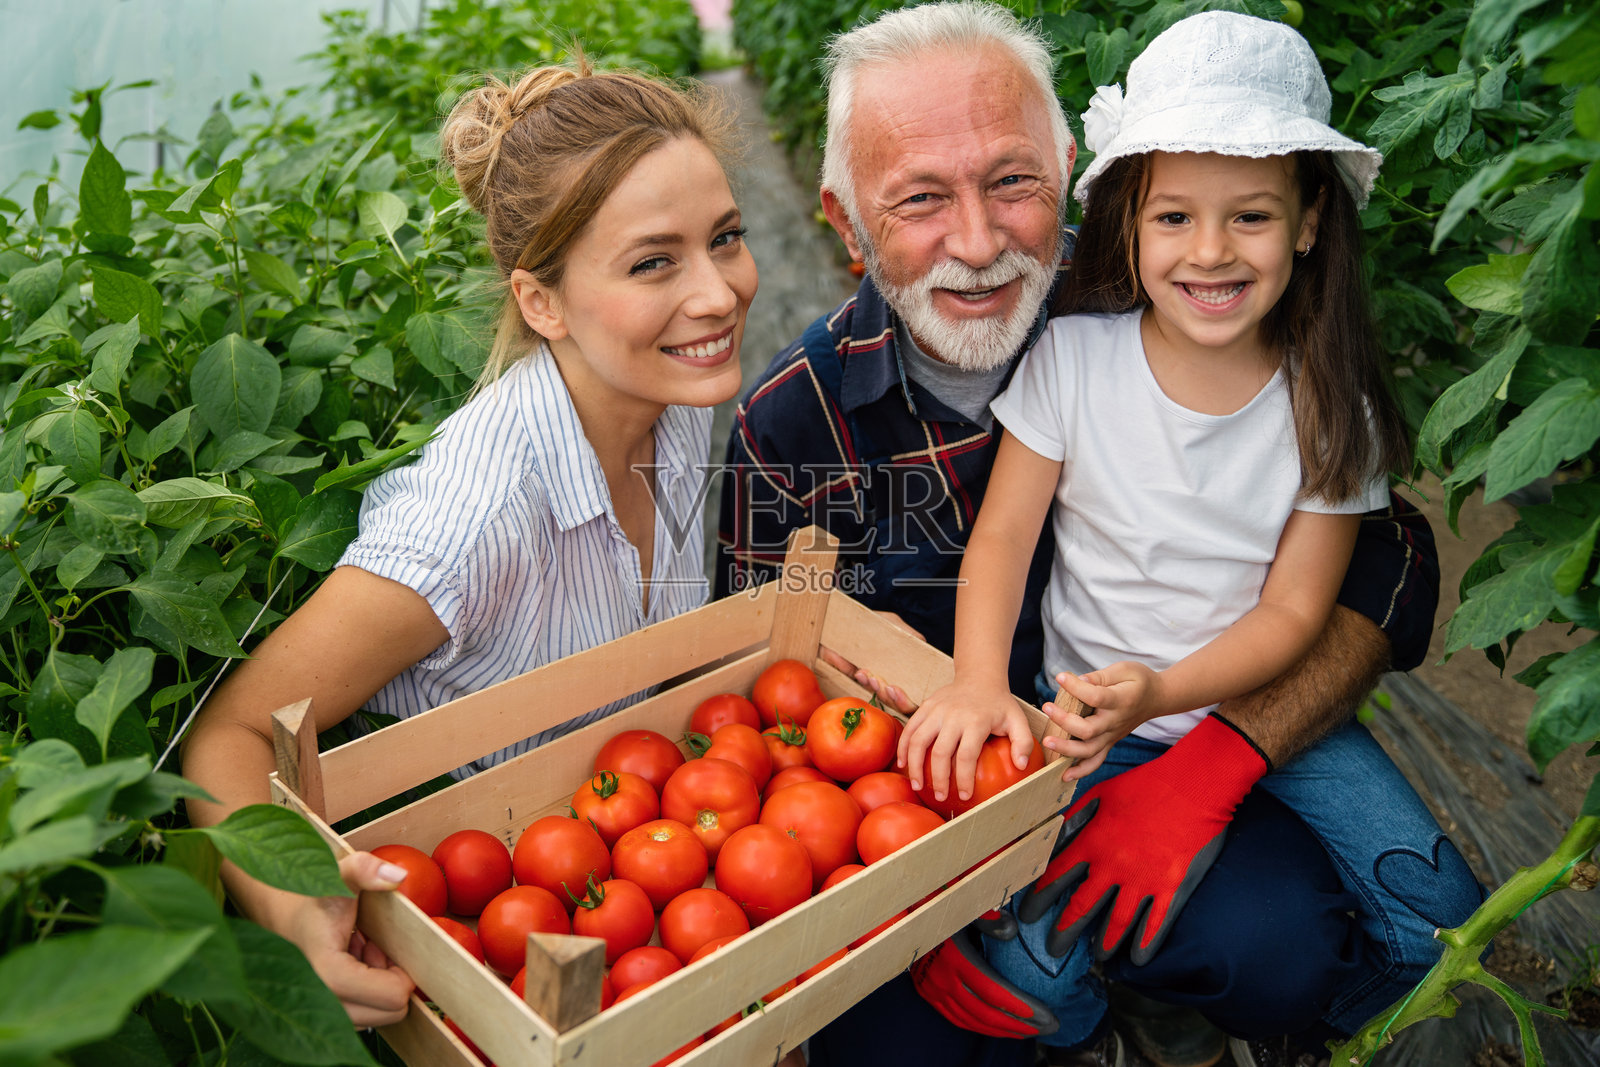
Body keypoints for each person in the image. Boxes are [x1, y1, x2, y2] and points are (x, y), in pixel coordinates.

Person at [715, 4, 1463, 1066]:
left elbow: (1384, 566)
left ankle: (1164, 992)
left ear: (1068, 168)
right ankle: (1063, 994)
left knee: (1277, 945)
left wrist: (1219, 752)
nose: (976, 243)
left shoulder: (1167, 295)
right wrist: (908, 877)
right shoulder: (793, 423)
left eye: (1010, 181)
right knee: (904, 1046)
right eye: (919, 198)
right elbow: (772, 694)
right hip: (926, 795)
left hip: (1174, 728)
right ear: (843, 221)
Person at [182, 58, 756, 1028]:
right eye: (654, 261)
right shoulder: (476, 513)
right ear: (541, 302)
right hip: (496, 945)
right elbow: (228, 733)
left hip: (632, 894)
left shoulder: (674, 397)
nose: (718, 292)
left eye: (726, 238)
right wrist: (293, 909)